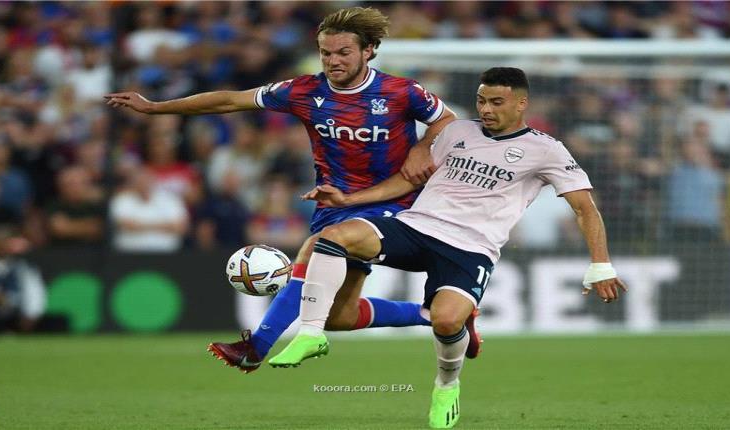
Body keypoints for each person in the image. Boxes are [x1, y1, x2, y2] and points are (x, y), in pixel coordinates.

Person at [105, 7, 463, 374]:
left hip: (393, 202)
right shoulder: (303, 90)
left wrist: (423, 147)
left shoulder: (401, 91)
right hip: (335, 204)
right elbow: (230, 100)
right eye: (326, 53)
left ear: (368, 50)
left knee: (318, 246)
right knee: (340, 315)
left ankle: (255, 348)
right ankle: (435, 315)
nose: (333, 61)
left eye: (343, 53)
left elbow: (447, 121)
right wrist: (156, 108)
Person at [269, 68, 628, 429]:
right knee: (334, 236)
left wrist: (601, 266)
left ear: (522, 104)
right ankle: (311, 333)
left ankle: (446, 385)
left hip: (471, 248)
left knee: (445, 320)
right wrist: (349, 199)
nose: (486, 109)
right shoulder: (458, 131)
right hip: (417, 227)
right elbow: (407, 180)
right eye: (481, 101)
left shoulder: (546, 149)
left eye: (496, 102)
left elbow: (585, 208)